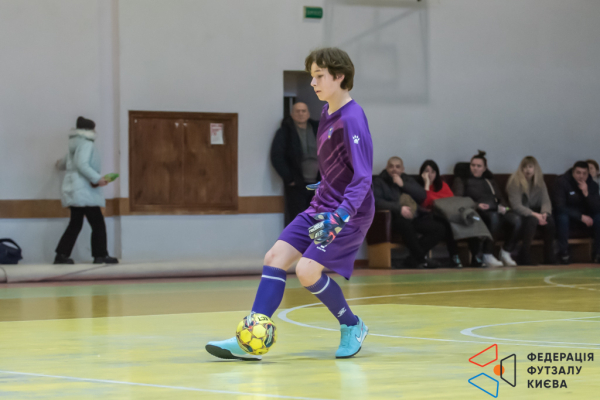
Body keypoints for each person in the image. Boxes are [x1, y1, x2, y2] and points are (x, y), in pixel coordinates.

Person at [206, 47, 374, 360]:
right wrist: (326, 184)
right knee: (274, 257)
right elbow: (339, 165)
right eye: (312, 76)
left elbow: (363, 177)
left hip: (349, 213)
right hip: (322, 204)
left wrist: (340, 216)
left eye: (319, 76)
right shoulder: (326, 113)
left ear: (339, 77)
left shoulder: (352, 118)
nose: (313, 82)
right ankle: (249, 339)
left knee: (307, 271)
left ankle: (352, 325)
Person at [54, 117, 118, 265]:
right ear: (90, 130)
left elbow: (64, 164)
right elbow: (82, 164)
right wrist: (98, 179)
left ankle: (61, 255)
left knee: (75, 224)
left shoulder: (74, 145)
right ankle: (100, 255)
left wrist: (58, 164)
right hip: (85, 190)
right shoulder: (87, 144)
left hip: (74, 190)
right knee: (98, 223)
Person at [453, 151, 521, 268]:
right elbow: (458, 200)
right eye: (473, 165)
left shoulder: (489, 181)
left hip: (494, 208)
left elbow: (500, 198)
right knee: (494, 217)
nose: (475, 168)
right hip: (476, 212)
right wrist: (476, 205)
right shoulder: (462, 180)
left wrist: (504, 207)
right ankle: (487, 254)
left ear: (484, 168)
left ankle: (506, 251)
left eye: (479, 166)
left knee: (516, 219)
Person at [373, 157, 443, 269]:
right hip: (393, 218)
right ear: (386, 168)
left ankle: (412, 260)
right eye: (391, 166)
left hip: (413, 217)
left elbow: (422, 195)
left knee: (439, 228)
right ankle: (422, 259)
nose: (394, 169)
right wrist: (399, 208)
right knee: (405, 225)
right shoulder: (379, 182)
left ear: (402, 169)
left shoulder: (407, 179)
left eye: (397, 167)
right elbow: (376, 202)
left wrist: (403, 185)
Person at [271, 102, 320, 226]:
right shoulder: (285, 132)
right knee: (298, 220)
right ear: (292, 114)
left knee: (316, 219)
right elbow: (277, 156)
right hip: (297, 185)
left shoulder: (318, 130)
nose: (301, 114)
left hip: (318, 185)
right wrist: (290, 179)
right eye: (297, 111)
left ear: (308, 114)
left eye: (303, 111)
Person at [506, 156, 556, 265]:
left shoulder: (540, 181)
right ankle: (524, 255)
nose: (527, 170)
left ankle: (549, 256)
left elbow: (546, 201)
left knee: (549, 221)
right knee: (532, 220)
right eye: (524, 167)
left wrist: (544, 214)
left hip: (536, 211)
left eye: (530, 167)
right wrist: (535, 215)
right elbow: (516, 206)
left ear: (535, 168)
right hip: (521, 213)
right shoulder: (515, 181)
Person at [416, 160, 463, 268]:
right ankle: (454, 256)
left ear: (436, 173)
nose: (430, 174)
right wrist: (427, 185)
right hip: (426, 217)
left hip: (444, 215)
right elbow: (425, 203)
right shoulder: (417, 186)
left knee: (451, 222)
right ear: (422, 173)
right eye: (426, 171)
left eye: (433, 172)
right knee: (446, 224)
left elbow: (451, 202)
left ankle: (456, 257)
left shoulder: (443, 185)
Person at [553, 161, 600, 264]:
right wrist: (580, 217)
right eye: (578, 173)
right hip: (570, 216)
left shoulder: (593, 185)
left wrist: (586, 194)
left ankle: (597, 254)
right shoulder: (562, 182)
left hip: (586, 217)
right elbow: (559, 207)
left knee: (598, 217)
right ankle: (563, 253)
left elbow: (597, 208)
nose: (581, 176)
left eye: (584, 173)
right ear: (573, 172)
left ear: (588, 174)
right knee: (562, 217)